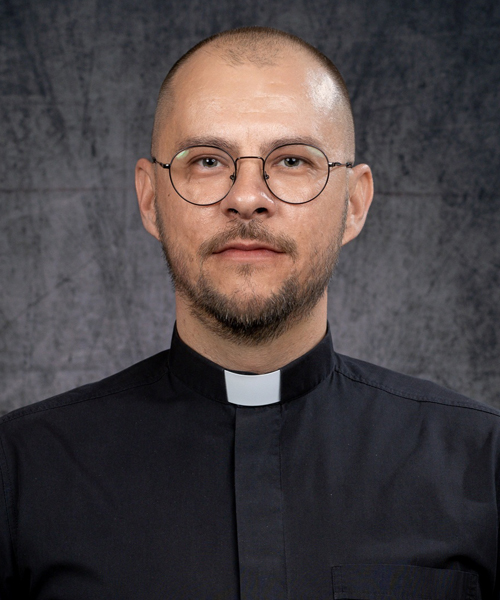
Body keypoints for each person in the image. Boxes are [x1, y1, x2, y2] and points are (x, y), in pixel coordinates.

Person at [0, 26, 497, 600]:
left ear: (355, 204)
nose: (246, 198)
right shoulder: (22, 472)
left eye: (292, 160)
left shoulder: (482, 463)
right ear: (150, 199)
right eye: (208, 160)